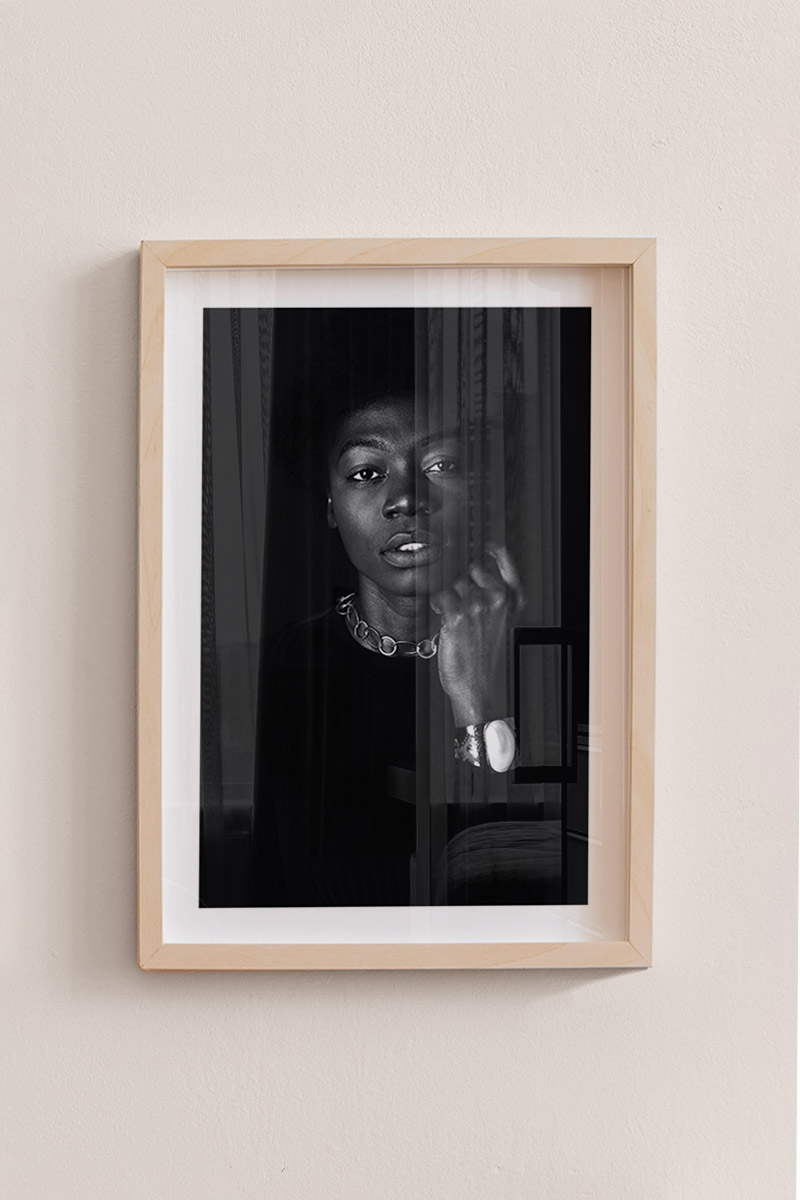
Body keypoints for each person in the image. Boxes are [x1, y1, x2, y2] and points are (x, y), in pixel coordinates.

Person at [250, 384, 527, 907]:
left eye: (442, 465)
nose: (407, 500)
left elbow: (507, 883)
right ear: (331, 507)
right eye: (366, 473)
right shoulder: (277, 672)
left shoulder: (545, 665)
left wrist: (477, 701)